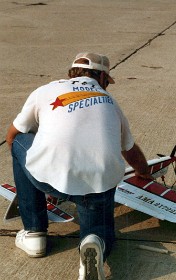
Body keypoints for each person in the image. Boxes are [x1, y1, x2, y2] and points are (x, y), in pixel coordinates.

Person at [5, 52, 152, 280]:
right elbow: (131, 152)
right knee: (99, 231)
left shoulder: (46, 90)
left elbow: (13, 135)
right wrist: (143, 172)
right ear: (102, 77)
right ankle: (94, 242)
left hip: (49, 176)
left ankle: (34, 233)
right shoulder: (110, 102)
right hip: (98, 184)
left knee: (19, 143)